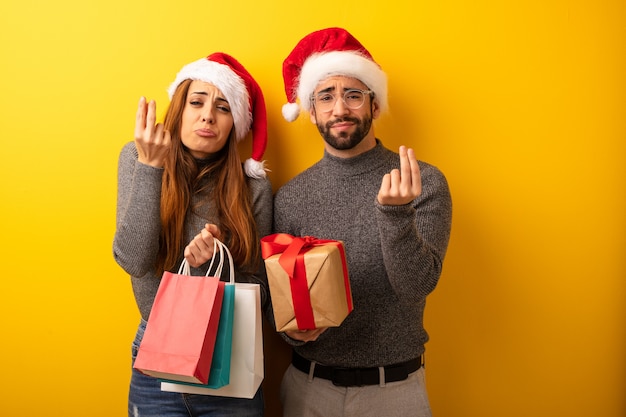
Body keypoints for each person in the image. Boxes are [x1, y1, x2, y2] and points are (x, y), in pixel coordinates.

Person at [273, 28, 453, 417]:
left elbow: (416, 286)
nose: (340, 109)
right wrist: (291, 330)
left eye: (353, 95)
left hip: (395, 393)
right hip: (308, 389)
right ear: (312, 110)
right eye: (327, 96)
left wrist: (394, 214)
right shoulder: (289, 197)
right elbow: (277, 296)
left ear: (373, 106)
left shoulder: (422, 181)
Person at [113, 52, 272, 417]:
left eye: (223, 107)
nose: (207, 116)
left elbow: (262, 292)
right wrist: (151, 167)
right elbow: (134, 260)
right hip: (156, 359)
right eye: (196, 102)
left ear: (235, 124)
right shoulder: (137, 157)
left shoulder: (254, 187)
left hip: (229, 357)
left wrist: (214, 265)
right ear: (179, 109)